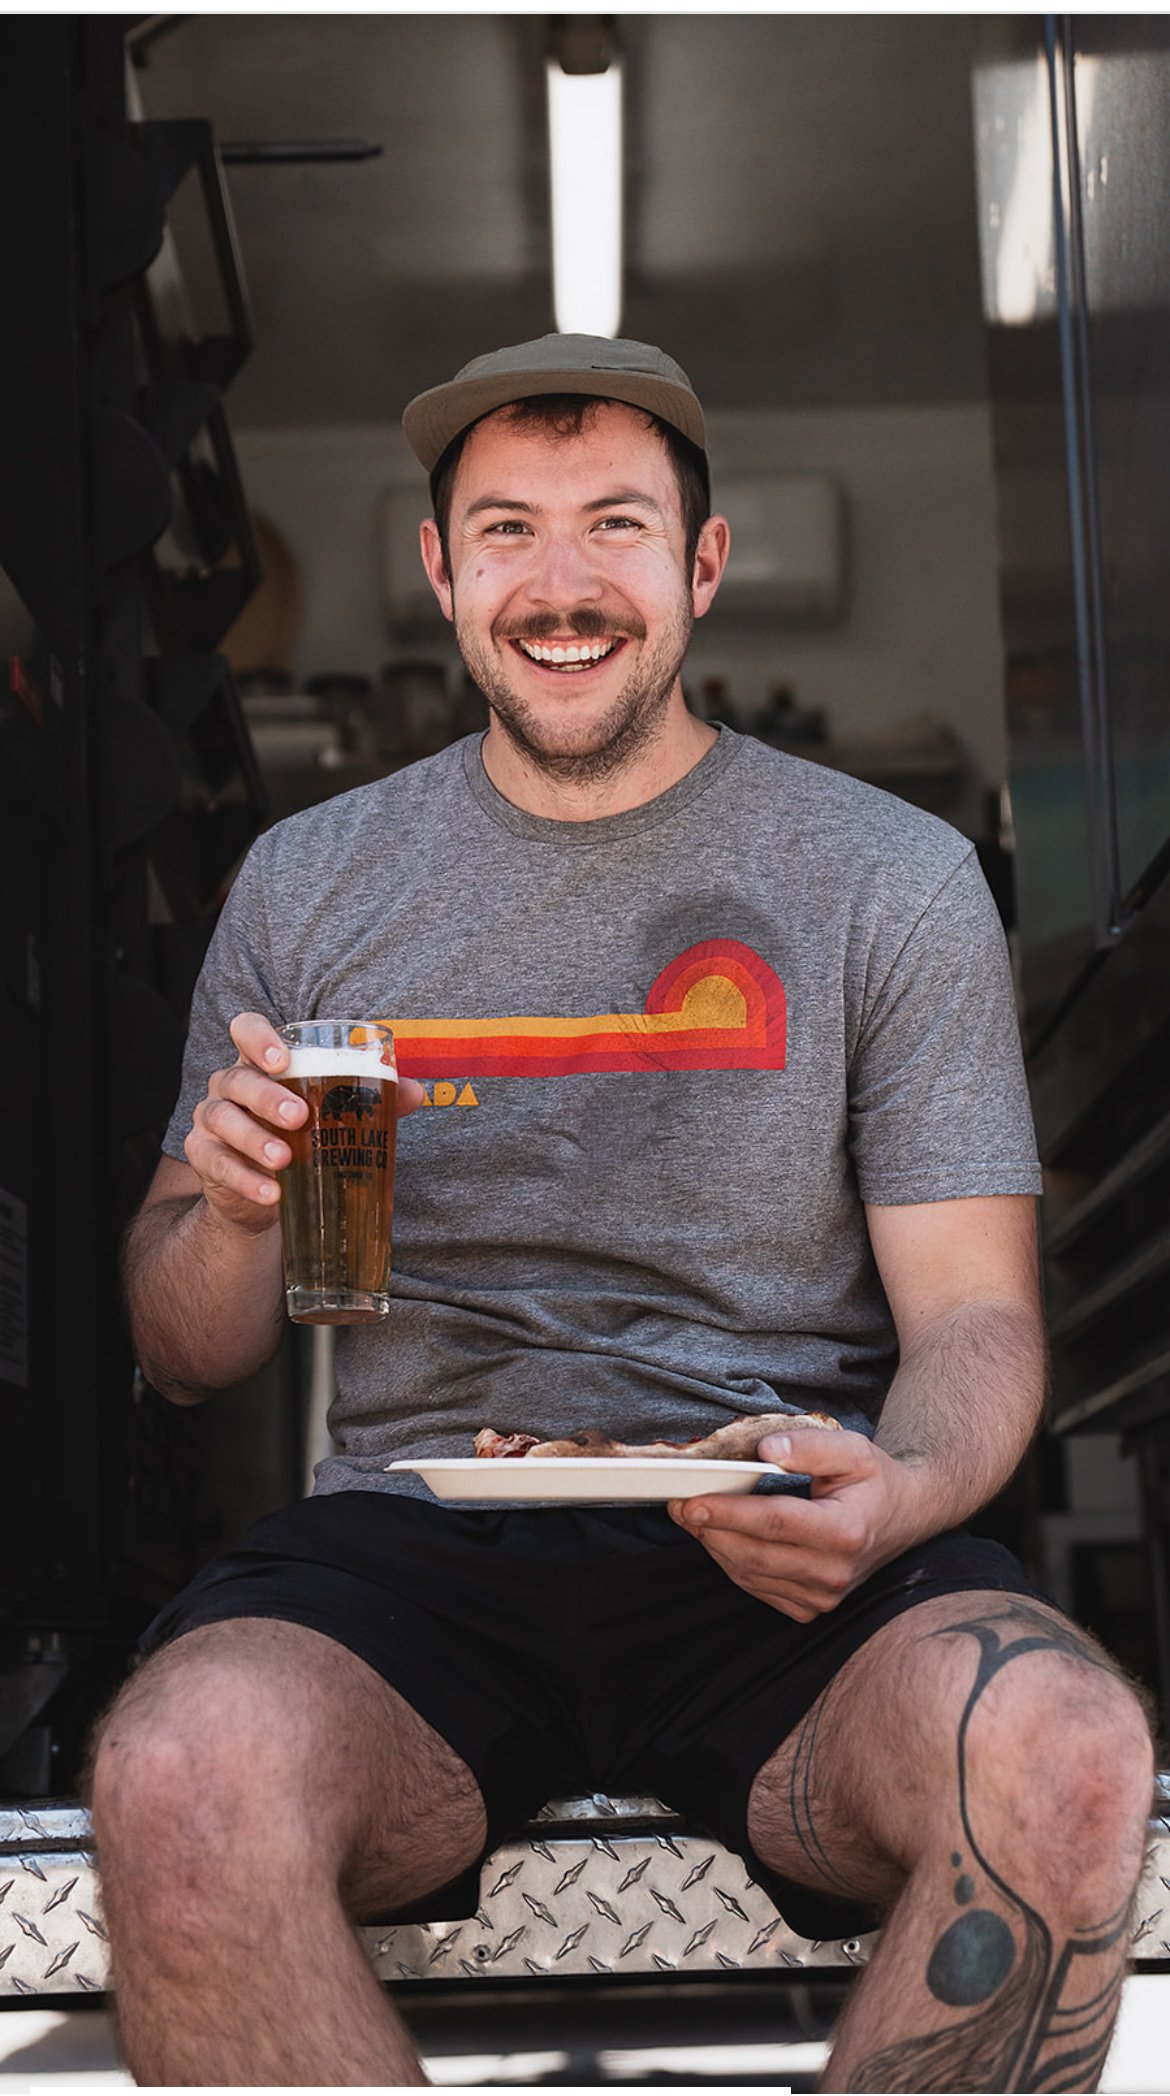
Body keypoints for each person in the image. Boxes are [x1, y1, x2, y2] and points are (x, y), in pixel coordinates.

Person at [89, 334, 1154, 2092]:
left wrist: (893, 1492)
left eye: (616, 527)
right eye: (505, 530)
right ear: (440, 572)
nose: (561, 585)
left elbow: (974, 1323)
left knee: (1066, 1751)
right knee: (178, 1774)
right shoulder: (308, 878)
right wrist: (223, 1210)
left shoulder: (888, 878)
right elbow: (181, 1350)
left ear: (702, 566)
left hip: (779, 1535)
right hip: (415, 1530)